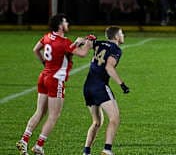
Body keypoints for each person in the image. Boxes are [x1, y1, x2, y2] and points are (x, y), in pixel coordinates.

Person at [16, 14, 93, 155]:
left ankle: (24, 140)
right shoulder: (64, 42)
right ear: (60, 25)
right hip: (55, 80)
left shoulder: (47, 37)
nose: (67, 23)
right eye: (65, 21)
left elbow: (36, 49)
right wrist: (87, 44)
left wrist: (44, 63)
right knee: (53, 115)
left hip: (44, 76)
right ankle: (39, 146)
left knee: (40, 111)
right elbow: (81, 54)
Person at [81, 26, 130, 155]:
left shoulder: (99, 43)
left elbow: (85, 41)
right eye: (121, 33)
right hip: (99, 86)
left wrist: (84, 40)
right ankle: (107, 149)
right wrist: (122, 84)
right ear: (116, 37)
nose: (123, 35)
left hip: (87, 86)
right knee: (115, 118)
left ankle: (86, 151)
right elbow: (109, 67)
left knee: (97, 122)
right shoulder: (116, 49)